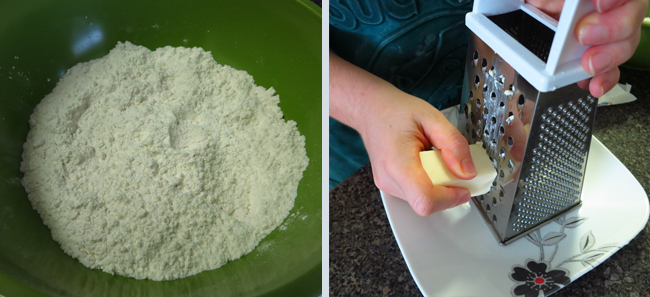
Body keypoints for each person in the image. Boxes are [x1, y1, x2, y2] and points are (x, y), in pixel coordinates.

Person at [329, 0, 648, 216]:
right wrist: (363, 106)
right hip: (361, 128)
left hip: (497, 87)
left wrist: (585, 14)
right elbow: (288, 39)